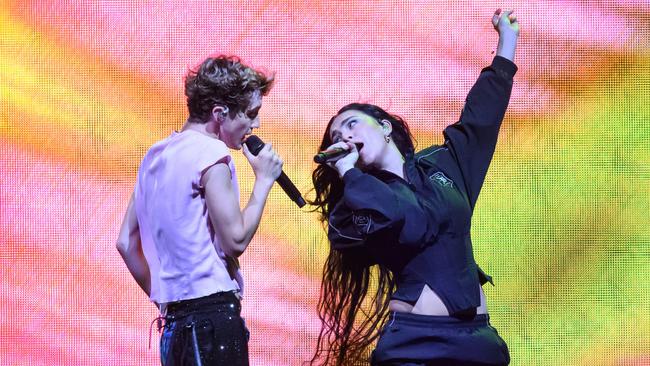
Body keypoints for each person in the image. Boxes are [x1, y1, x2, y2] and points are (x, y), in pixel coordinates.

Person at [309, 9, 519, 366]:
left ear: (385, 126)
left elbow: (480, 120)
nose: (344, 135)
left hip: (476, 340)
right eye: (336, 136)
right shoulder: (351, 208)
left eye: (351, 124)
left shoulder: (441, 165)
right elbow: (404, 217)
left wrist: (507, 43)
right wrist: (348, 172)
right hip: (414, 344)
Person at [116, 55, 282, 365]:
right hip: (211, 320)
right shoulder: (211, 152)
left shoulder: (155, 155)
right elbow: (235, 241)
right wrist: (264, 181)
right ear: (220, 113)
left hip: (175, 327)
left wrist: (170, 301)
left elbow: (125, 243)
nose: (255, 124)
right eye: (251, 113)